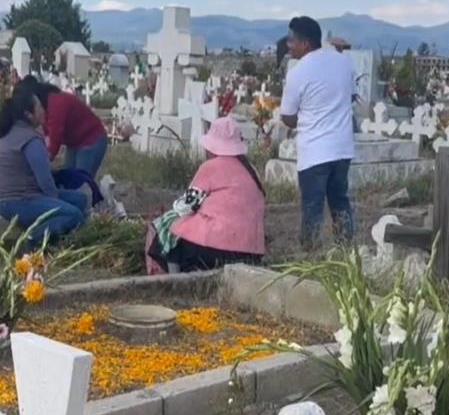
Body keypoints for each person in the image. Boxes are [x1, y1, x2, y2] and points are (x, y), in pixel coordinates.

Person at [146, 117, 265, 273]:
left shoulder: (211, 167)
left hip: (212, 248)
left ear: (211, 148)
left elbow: (186, 206)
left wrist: (174, 208)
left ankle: (174, 282)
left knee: (167, 229)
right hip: (251, 251)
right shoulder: (251, 170)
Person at [279, 15, 356, 251]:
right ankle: (347, 251)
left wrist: (305, 116)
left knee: (312, 208)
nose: (288, 45)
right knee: (340, 203)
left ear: (305, 43)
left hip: (315, 151)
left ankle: (311, 257)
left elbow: (287, 117)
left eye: (292, 40)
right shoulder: (343, 62)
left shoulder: (298, 72)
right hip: (342, 148)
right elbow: (351, 96)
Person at [0, 87, 89, 247]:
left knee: (79, 199)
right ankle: (31, 242)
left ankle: (62, 244)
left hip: (17, 198)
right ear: (28, 114)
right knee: (74, 215)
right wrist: (58, 206)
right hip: (19, 201)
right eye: (39, 107)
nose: (44, 110)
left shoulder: (11, 133)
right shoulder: (30, 140)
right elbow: (45, 181)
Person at [19, 76, 108, 178]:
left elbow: (54, 141)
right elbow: (47, 135)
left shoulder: (56, 104)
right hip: (74, 143)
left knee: (81, 180)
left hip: (91, 139)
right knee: (69, 176)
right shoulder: (44, 107)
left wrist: (41, 164)